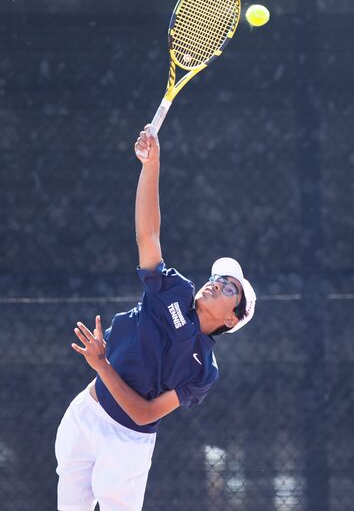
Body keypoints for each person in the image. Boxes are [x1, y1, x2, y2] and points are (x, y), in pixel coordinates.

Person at [55, 125, 256, 511]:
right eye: (217, 278)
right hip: (84, 413)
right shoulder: (175, 290)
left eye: (228, 288)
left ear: (232, 319)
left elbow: (144, 412)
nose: (216, 284)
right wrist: (152, 164)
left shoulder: (203, 371)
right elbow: (149, 236)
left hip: (127, 443)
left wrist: (102, 365)